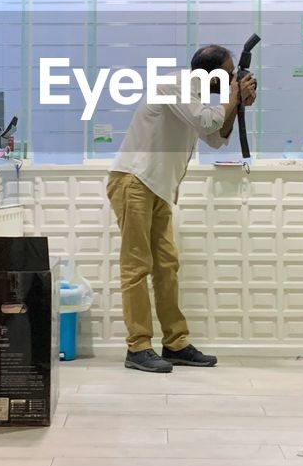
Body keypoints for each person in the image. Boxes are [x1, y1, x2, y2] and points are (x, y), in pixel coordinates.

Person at [106, 45, 257, 374]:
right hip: (133, 179)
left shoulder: (198, 98)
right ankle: (138, 346)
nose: (232, 78)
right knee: (137, 266)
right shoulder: (175, 85)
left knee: (166, 266)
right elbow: (207, 121)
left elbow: (216, 137)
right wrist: (233, 97)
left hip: (157, 187)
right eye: (228, 73)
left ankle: (175, 343)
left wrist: (237, 105)